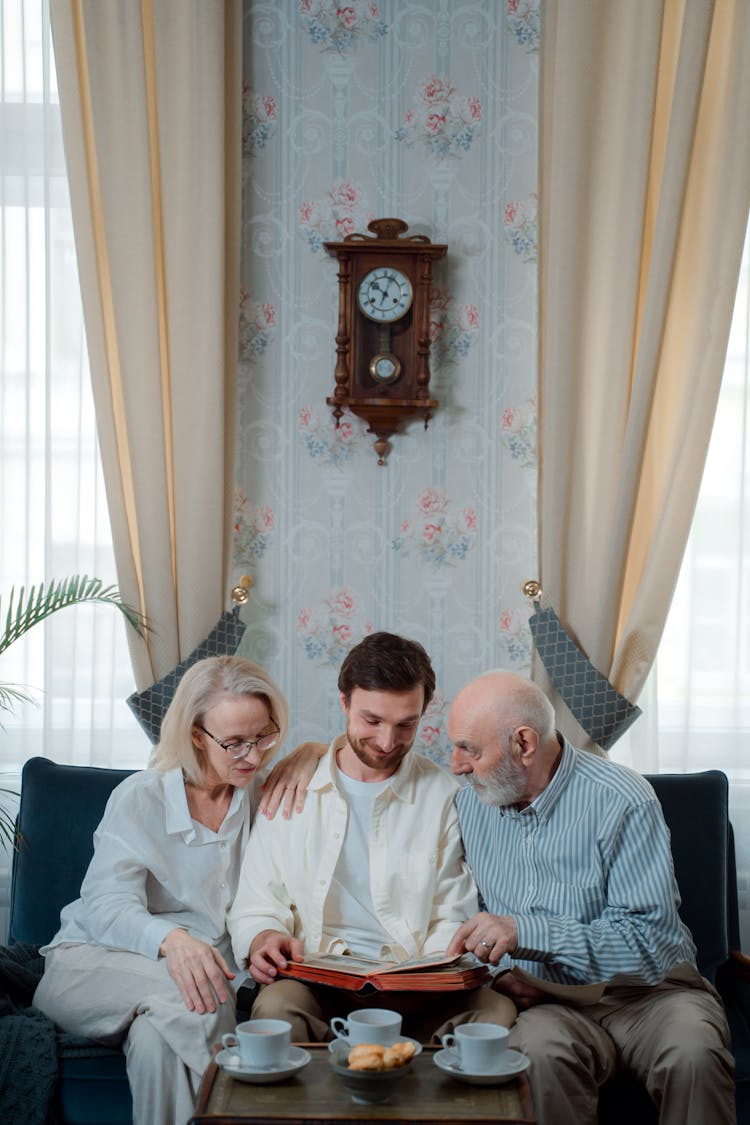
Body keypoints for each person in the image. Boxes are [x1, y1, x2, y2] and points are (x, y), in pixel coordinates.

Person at [33, 655, 322, 1125]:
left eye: (264, 736)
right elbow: (106, 906)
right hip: (90, 969)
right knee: (208, 992)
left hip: (187, 988)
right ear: (195, 735)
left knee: (156, 1040)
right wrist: (172, 942)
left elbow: (364, 750)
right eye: (234, 744)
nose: (252, 755)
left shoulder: (261, 793)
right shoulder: (140, 797)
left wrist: (311, 749)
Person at [445, 670, 735, 1125]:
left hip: (651, 995)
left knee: (693, 1055)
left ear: (523, 744)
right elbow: (384, 768)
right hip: (549, 1004)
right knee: (536, 1053)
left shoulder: (623, 798)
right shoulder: (470, 803)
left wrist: (527, 932)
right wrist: (310, 754)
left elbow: (648, 944)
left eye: (470, 749)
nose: (456, 764)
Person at [228, 631, 516, 1043]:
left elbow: (451, 911)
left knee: (494, 1012)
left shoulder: (444, 796)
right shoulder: (292, 786)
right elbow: (258, 898)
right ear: (344, 701)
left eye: (405, 725)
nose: (386, 742)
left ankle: (432, 1107)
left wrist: (428, 973)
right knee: (276, 1009)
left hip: (413, 987)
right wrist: (263, 937)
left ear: (424, 712)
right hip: (314, 980)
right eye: (372, 721)